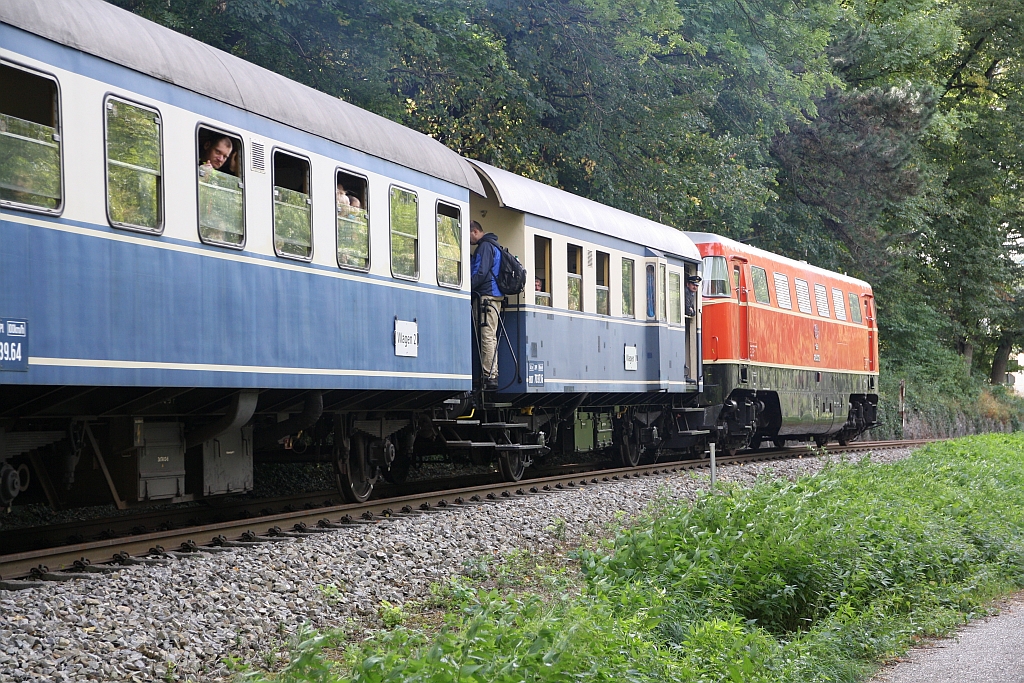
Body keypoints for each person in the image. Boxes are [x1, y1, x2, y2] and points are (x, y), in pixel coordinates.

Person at [470, 220, 502, 391]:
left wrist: (466, 286)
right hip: (493, 297)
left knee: (487, 336)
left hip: (486, 297)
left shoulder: (484, 247)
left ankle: (489, 375)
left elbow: (480, 272)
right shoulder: (494, 245)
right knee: (489, 336)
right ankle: (489, 373)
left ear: (475, 231)